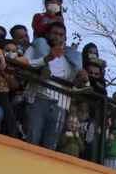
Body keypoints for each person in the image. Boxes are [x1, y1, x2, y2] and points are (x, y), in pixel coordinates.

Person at [24, 22, 81, 150]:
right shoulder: (36, 49)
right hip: (37, 100)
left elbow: (72, 81)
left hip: (60, 106)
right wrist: (45, 59)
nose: (57, 37)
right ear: (47, 34)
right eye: (54, 33)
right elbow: (25, 66)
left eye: (61, 34)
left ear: (65, 38)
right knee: (32, 142)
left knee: (50, 146)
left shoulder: (69, 59)